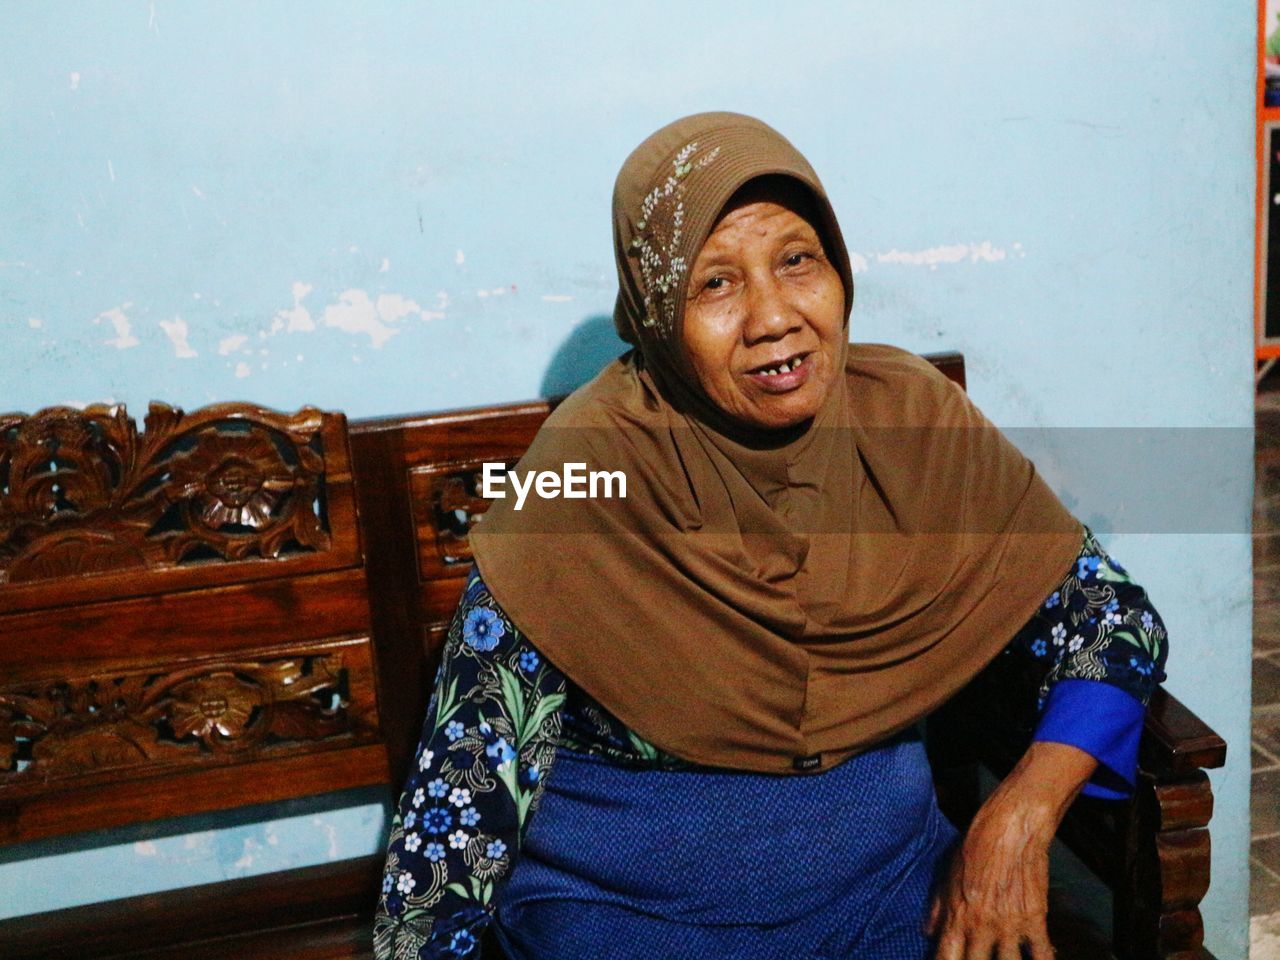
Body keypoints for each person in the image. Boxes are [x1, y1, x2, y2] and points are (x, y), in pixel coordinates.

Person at [373, 112, 1168, 960]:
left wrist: (1018, 817)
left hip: (896, 901)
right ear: (654, 310)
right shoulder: (586, 477)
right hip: (635, 926)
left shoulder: (909, 421)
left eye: (797, 260)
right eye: (715, 284)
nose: (774, 316)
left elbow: (1110, 619)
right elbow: (460, 803)